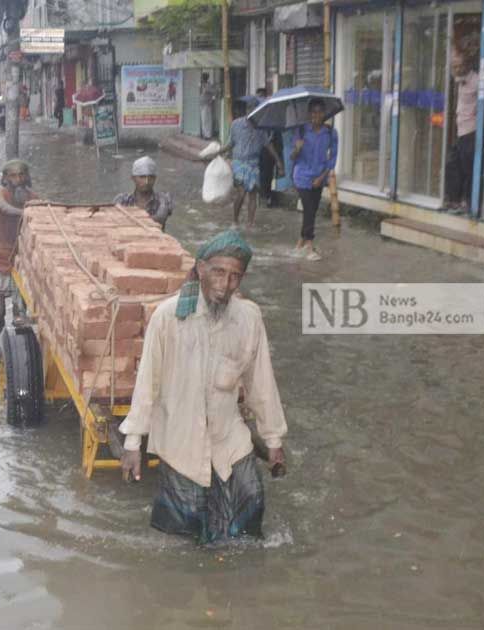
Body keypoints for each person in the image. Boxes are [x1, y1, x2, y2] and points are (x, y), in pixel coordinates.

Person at [119, 230, 288, 545]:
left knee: (250, 505)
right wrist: (132, 444)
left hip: (229, 436)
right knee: (186, 531)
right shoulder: (169, 318)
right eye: (219, 272)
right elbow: (147, 383)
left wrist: (273, 439)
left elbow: (261, 382)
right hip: (181, 440)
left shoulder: (248, 318)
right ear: (200, 269)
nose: (226, 284)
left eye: (235, 276)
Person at [0, 160, 37, 330]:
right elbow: (5, 208)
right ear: (6, 179)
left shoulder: (34, 199)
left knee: (20, 314)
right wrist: (26, 212)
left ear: (27, 177)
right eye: (14, 176)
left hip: (20, 261)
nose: (19, 179)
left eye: (22, 175)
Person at [289, 99, 338, 261]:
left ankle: (300, 242)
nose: (317, 115)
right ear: (309, 114)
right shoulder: (301, 131)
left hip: (319, 176)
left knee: (312, 211)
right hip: (302, 176)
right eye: (314, 112)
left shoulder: (331, 133)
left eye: (320, 112)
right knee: (309, 209)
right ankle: (309, 244)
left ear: (324, 113)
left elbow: (332, 159)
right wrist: (297, 148)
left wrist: (322, 177)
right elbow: (292, 157)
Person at [222, 97, 283, 227]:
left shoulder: (261, 128)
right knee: (241, 192)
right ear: (246, 110)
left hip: (254, 163)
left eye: (255, 109)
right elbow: (230, 143)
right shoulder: (236, 125)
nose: (252, 111)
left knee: (253, 193)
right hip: (239, 163)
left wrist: (278, 161)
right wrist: (219, 153)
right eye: (250, 109)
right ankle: (235, 220)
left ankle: (250, 223)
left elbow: (268, 145)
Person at [445, 47, 479, 214]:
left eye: (459, 66)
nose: (456, 69)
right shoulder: (457, 79)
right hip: (460, 129)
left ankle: (468, 202)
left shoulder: (476, 81)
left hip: (471, 131)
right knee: (453, 165)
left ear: (467, 65)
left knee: (468, 168)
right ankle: (454, 200)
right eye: (454, 66)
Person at [115, 156, 174, 231]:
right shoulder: (122, 200)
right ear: (133, 178)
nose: (147, 182)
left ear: (155, 178)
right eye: (142, 177)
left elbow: (160, 218)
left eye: (151, 177)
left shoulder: (163, 199)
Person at [255, 88, 281, 207]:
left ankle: (266, 196)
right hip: (262, 149)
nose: (260, 99)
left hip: (270, 149)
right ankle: (264, 196)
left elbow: (273, 136)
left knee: (267, 174)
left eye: (261, 96)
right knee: (264, 174)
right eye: (258, 96)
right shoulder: (257, 114)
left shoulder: (270, 115)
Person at [199, 72, 218, 139]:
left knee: (207, 120)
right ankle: (204, 134)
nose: (201, 79)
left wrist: (212, 100)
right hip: (202, 104)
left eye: (202, 78)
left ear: (205, 78)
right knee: (203, 120)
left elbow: (215, 92)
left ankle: (208, 135)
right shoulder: (202, 85)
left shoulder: (208, 85)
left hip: (207, 104)